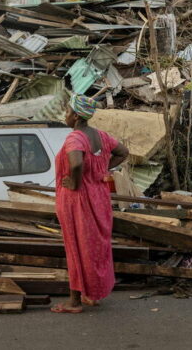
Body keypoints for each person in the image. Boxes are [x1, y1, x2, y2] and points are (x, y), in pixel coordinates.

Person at [51, 94, 129, 313]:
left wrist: (75, 182)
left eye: (67, 112)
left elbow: (75, 163)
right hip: (99, 197)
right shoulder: (101, 136)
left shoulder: (75, 138)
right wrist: (101, 169)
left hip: (78, 200)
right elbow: (123, 152)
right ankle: (91, 294)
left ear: (76, 116)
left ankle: (74, 302)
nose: (65, 115)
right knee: (94, 247)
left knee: (75, 247)